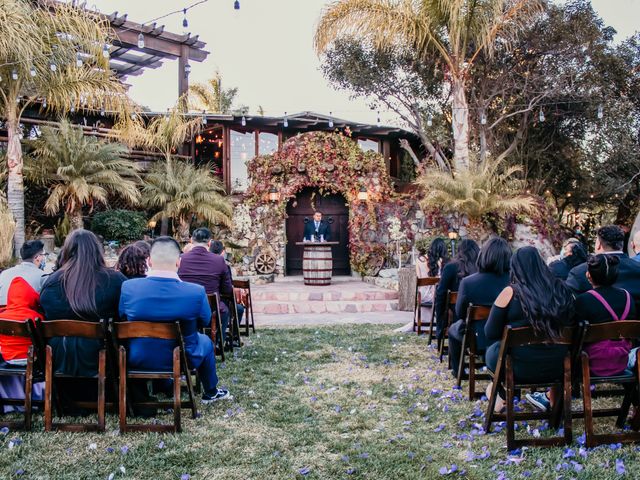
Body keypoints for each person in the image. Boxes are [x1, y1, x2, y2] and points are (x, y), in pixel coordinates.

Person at [119, 236, 231, 403]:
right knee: (206, 342)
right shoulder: (195, 292)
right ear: (179, 262)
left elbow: (122, 317)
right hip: (183, 357)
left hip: (137, 357)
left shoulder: (129, 288)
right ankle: (211, 391)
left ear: (149, 261)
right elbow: (205, 321)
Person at [484, 247, 574, 413]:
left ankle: (497, 392)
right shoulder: (562, 289)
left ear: (515, 268)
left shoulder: (510, 293)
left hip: (519, 367)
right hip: (558, 365)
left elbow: (490, 332)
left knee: (492, 353)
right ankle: (554, 402)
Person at [40, 230, 126, 403]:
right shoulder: (116, 281)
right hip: (101, 357)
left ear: (67, 250)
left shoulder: (50, 282)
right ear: (97, 250)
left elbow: (47, 315)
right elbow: (122, 317)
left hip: (58, 357)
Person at [448, 238, 512, 374]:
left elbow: (460, 313)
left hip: (476, 339)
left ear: (483, 255)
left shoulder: (468, 282)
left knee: (453, 329)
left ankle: (457, 370)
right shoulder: (514, 282)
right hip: (506, 338)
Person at [574, 254, 636, 377]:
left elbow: (575, 334)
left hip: (591, 362)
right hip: (622, 359)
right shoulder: (628, 297)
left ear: (589, 275)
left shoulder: (583, 300)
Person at [177, 228, 233, 342]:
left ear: (191, 240)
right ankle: (218, 342)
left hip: (185, 304)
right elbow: (227, 289)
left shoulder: (181, 259)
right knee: (224, 310)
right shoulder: (219, 260)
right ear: (209, 242)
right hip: (211, 306)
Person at [566, 225, 640, 298]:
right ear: (621, 244)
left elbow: (567, 301)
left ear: (599, 245)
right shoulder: (637, 267)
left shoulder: (579, 272)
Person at [434, 239, 480, 339]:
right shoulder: (481, 268)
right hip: (480, 317)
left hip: (457, 316)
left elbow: (441, 294)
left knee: (441, 298)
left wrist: (440, 324)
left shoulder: (450, 267)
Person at [210, 240, 245, 328]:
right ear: (222, 252)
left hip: (206, 300)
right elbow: (228, 289)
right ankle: (233, 336)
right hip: (219, 301)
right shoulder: (225, 267)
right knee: (239, 309)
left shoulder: (204, 265)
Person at [0, 240, 47, 306]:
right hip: (27, 314)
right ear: (38, 257)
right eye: (44, 255)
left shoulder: (4, 274)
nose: (44, 258)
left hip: (2, 313)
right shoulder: (43, 276)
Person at [415, 238, 448, 306]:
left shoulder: (419, 260)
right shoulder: (441, 262)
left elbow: (419, 278)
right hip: (436, 296)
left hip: (422, 295)